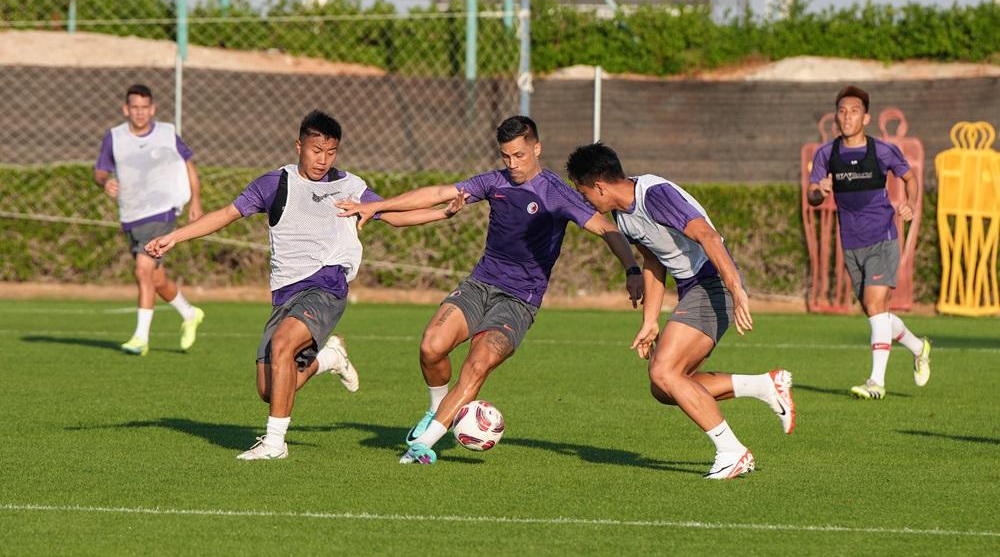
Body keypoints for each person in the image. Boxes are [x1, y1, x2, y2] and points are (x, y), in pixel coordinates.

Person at [145, 110, 465, 460]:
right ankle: (328, 358)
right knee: (270, 390)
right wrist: (175, 236)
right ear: (299, 146)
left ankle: (274, 444)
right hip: (286, 292)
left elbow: (393, 215)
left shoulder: (350, 186)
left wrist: (442, 213)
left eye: (330, 152)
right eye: (316, 150)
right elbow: (225, 215)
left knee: (283, 345)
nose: (322, 159)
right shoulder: (274, 184)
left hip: (327, 285)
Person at [336, 116, 644, 465]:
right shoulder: (494, 182)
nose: (512, 164)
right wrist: (377, 205)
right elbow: (439, 193)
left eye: (519, 156)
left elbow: (606, 228)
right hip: (480, 284)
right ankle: (439, 410)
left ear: (536, 149)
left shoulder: (556, 193)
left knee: (477, 363)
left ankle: (424, 444)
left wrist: (632, 269)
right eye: (505, 156)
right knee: (431, 346)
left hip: (519, 300)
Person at [565, 142, 795, 480]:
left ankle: (732, 452)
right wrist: (649, 322)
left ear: (599, 186)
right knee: (665, 388)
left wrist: (736, 289)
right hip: (694, 290)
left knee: (664, 372)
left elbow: (709, 236)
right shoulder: (622, 216)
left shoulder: (654, 195)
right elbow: (654, 261)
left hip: (713, 284)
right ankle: (764, 386)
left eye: (584, 192)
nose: (585, 200)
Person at [808, 85, 930, 400]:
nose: (847, 116)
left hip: (883, 237)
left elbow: (910, 179)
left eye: (854, 111)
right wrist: (819, 191)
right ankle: (919, 347)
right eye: (842, 110)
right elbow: (812, 194)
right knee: (876, 314)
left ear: (866, 117)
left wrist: (909, 204)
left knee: (876, 306)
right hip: (851, 244)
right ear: (836, 116)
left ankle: (876, 382)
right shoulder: (826, 154)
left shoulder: (883, 151)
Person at [94, 84, 205, 356]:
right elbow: (100, 171)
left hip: (162, 211)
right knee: (155, 279)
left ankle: (140, 338)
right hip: (131, 215)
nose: (140, 113)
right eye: (135, 108)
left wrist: (196, 200)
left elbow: (188, 164)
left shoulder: (167, 133)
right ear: (126, 109)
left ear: (152, 109)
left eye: (145, 108)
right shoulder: (114, 137)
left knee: (143, 269)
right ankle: (190, 313)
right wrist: (105, 182)